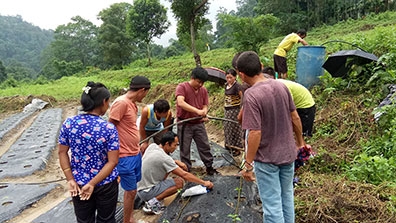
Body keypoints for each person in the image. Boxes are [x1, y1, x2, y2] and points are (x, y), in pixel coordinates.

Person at [237, 51, 306, 223]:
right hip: (288, 155)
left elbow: (255, 132)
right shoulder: (281, 86)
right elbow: (295, 117)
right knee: (287, 198)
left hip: (267, 158)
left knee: (272, 205)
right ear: (261, 66)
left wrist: (248, 164)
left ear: (241, 74)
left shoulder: (251, 95)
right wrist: (300, 143)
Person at [58, 81, 120, 223]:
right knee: (106, 220)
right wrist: (92, 183)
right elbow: (112, 161)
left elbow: (62, 153)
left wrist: (70, 179)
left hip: (78, 184)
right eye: (108, 102)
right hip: (105, 184)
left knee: (84, 220)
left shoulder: (69, 123)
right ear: (104, 102)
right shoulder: (108, 128)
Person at [137, 131, 214, 214]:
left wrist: (175, 162)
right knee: (179, 182)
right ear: (167, 144)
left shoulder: (153, 146)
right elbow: (184, 174)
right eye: (175, 145)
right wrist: (204, 182)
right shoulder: (165, 158)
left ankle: (153, 198)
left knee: (168, 173)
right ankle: (151, 203)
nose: (176, 148)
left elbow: (158, 161)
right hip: (147, 192)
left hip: (140, 188)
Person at [108, 76, 151, 223]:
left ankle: (129, 216)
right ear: (141, 90)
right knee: (131, 190)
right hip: (124, 154)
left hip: (134, 152)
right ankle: (127, 220)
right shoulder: (121, 103)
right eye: (145, 93)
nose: (145, 96)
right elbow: (110, 127)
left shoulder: (132, 104)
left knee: (132, 188)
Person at [175, 67, 219, 175]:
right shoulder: (182, 87)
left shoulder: (203, 90)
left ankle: (209, 167)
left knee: (204, 145)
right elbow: (180, 102)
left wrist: (204, 111)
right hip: (185, 123)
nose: (200, 85)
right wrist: (197, 111)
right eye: (199, 82)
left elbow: (205, 105)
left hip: (199, 123)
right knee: (185, 148)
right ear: (192, 78)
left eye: (202, 83)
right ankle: (187, 170)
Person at [263, 66, 316, 137]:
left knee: (304, 134)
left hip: (305, 106)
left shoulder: (280, 85)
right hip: (298, 104)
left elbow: (287, 104)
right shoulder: (273, 85)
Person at [224, 68, 244, 156]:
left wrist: (241, 109)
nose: (229, 80)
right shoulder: (226, 85)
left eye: (231, 77)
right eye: (227, 77)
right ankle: (229, 146)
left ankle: (237, 148)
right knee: (228, 128)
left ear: (235, 77)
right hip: (227, 111)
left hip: (235, 111)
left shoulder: (237, 86)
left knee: (236, 129)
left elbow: (242, 98)